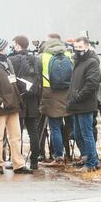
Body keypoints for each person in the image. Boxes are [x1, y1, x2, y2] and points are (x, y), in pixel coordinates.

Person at [0, 37, 33, 175]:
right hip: (0, 107)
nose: (8, 48)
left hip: (13, 105)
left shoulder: (8, 61)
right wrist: (0, 102)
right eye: (5, 47)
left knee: (16, 137)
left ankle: (18, 164)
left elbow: (12, 81)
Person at [66, 37, 101, 172]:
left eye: (80, 47)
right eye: (76, 47)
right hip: (75, 104)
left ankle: (92, 163)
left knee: (87, 134)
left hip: (85, 104)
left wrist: (78, 97)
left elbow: (91, 84)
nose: (78, 49)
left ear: (87, 47)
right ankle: (87, 158)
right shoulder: (77, 61)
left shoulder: (92, 62)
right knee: (78, 134)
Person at [9, 35, 43, 170]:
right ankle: (34, 161)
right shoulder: (36, 59)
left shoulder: (11, 60)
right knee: (33, 131)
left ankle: (18, 161)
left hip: (19, 99)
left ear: (17, 45)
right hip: (33, 99)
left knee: (17, 133)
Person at [39, 35, 73, 166]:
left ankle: (58, 157)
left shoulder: (43, 57)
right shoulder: (68, 54)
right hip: (67, 94)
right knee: (68, 126)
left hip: (50, 96)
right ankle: (70, 155)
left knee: (55, 128)